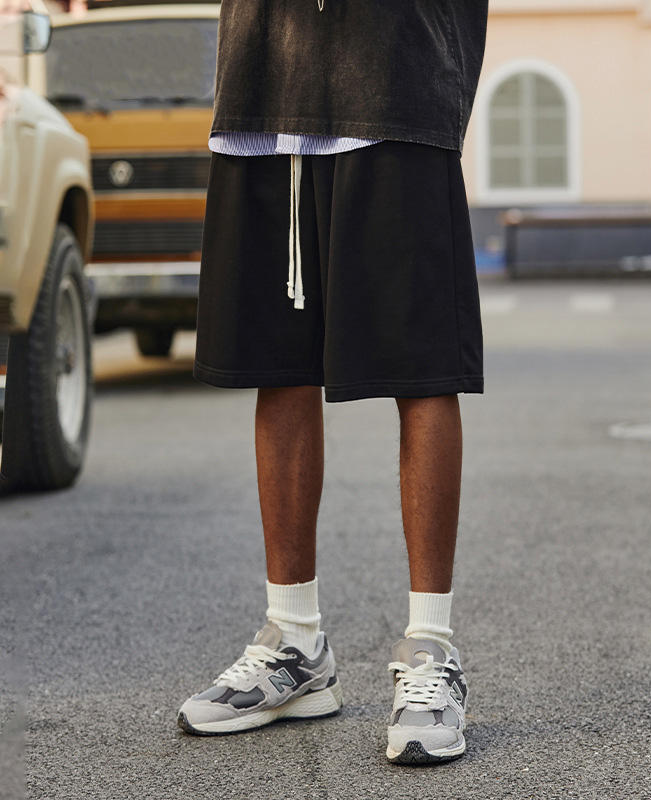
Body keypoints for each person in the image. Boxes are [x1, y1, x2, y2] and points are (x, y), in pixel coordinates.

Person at [177, 0, 490, 764]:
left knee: (422, 370)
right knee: (277, 367)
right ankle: (295, 644)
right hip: (265, 89)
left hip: (396, 81)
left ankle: (431, 648)